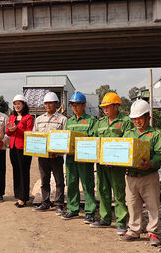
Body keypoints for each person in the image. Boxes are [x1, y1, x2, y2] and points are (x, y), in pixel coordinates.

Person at [119, 99, 161, 246]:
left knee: (152, 205)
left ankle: (153, 232)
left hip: (148, 176)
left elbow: (160, 154)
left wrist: (151, 163)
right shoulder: (128, 134)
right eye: (134, 119)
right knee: (132, 204)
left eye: (140, 118)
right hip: (131, 176)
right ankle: (134, 230)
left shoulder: (155, 135)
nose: (137, 121)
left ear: (148, 117)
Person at [90, 92, 134, 236]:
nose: (105, 109)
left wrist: (115, 159)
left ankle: (121, 222)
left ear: (116, 106)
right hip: (102, 165)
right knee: (102, 190)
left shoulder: (125, 122)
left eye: (108, 106)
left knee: (119, 192)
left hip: (117, 166)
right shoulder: (100, 122)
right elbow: (94, 140)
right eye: (104, 107)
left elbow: (128, 142)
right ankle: (105, 218)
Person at [61, 92, 98, 224]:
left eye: (77, 105)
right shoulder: (69, 121)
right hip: (71, 158)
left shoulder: (91, 120)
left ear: (84, 105)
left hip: (84, 159)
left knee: (87, 184)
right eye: (73, 105)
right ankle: (72, 209)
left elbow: (94, 139)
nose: (75, 107)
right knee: (71, 183)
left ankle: (89, 212)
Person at [32, 92, 67, 215]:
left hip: (56, 156)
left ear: (56, 104)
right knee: (44, 180)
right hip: (43, 156)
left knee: (59, 181)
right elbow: (34, 136)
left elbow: (65, 138)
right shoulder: (39, 119)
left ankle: (59, 204)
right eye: (46, 103)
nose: (48, 105)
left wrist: (58, 152)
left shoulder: (63, 119)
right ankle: (45, 203)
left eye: (50, 103)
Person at [6, 94, 34, 208]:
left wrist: (17, 128)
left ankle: (24, 197)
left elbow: (29, 133)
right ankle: (18, 195)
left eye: (19, 104)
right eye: (15, 104)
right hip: (13, 147)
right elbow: (8, 133)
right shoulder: (12, 117)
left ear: (24, 104)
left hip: (23, 147)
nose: (17, 106)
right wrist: (10, 129)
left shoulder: (28, 117)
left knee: (24, 172)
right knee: (16, 172)